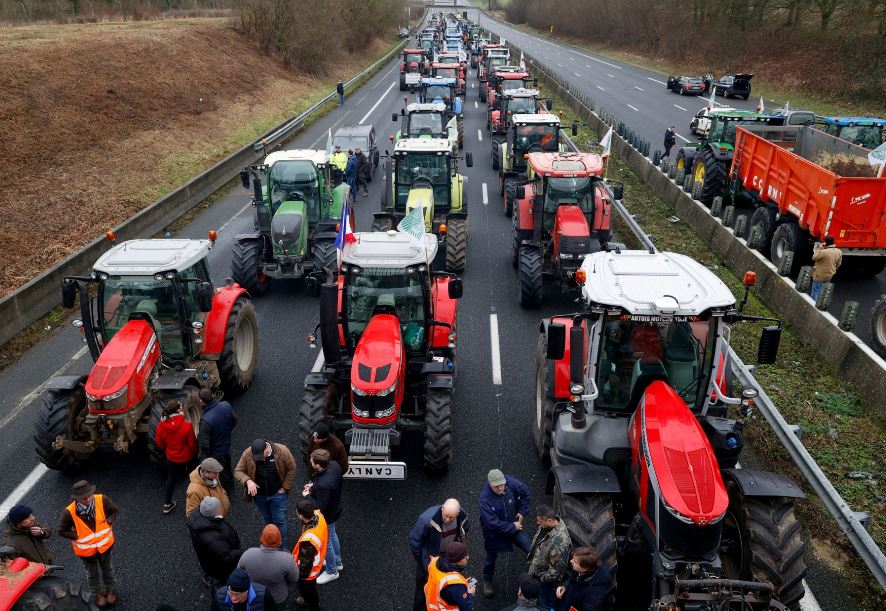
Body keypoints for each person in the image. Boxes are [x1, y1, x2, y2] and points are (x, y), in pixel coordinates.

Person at [58, 481, 119, 608]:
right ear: (76, 498)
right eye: (84, 497)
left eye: (89, 495)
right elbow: (62, 531)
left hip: (105, 546)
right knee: (92, 574)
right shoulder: (68, 513)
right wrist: (77, 536)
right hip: (87, 553)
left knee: (108, 569)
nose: (88, 499)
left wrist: (109, 521)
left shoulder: (102, 499)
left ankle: (111, 590)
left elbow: (114, 511)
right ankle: (98, 594)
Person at [234, 439, 297, 549]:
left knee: (280, 522)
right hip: (260, 496)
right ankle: (271, 545)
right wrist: (247, 481)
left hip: (278, 495)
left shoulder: (282, 451)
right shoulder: (248, 453)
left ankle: (281, 549)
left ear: (267, 448)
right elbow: (238, 471)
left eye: (262, 456)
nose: (261, 460)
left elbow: (292, 468)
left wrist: (285, 487)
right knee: (267, 520)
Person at [408, 499, 469, 611]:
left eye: (451, 517)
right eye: (446, 515)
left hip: (448, 557)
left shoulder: (462, 517)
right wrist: (425, 563)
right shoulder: (426, 521)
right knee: (423, 588)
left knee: (445, 587)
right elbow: (415, 543)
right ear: (442, 508)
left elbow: (464, 532)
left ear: (457, 514)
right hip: (430, 559)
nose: (447, 519)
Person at [479, 469, 531, 597]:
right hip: (495, 535)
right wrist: (512, 526)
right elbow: (491, 523)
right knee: (490, 559)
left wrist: (522, 511)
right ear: (490, 484)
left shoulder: (511, 483)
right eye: (496, 486)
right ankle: (487, 580)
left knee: (532, 550)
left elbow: (525, 493)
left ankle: (536, 578)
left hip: (514, 528)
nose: (500, 488)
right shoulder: (484, 499)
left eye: (502, 484)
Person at [302, 449, 343, 584]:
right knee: (333, 535)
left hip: (327, 515)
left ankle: (332, 571)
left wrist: (307, 495)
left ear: (318, 465)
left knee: (327, 543)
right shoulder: (334, 465)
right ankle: (337, 561)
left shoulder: (324, 485)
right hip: (335, 508)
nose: (311, 462)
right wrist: (314, 486)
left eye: (312, 461)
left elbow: (320, 506)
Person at [237, 525, 299, 609]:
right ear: (279, 540)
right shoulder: (287, 559)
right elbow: (294, 578)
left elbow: (239, 574)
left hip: (254, 596)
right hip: (278, 598)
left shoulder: (248, 554)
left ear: (262, 538)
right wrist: (287, 590)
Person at [187, 496, 243, 588]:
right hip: (220, 569)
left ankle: (208, 578)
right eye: (218, 507)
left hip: (206, 558)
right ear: (214, 513)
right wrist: (242, 552)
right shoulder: (215, 538)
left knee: (208, 568)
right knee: (223, 582)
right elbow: (226, 557)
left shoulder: (196, 520)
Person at [154, 398, 198, 514]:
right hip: (187, 457)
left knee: (171, 478)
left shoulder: (161, 426)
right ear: (178, 410)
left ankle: (167, 504)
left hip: (172, 458)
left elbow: (159, 443)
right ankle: (195, 502)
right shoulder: (187, 426)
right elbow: (192, 444)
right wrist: (195, 455)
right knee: (193, 478)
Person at [526, 505, 571, 610]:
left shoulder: (561, 541)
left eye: (540, 521)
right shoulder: (546, 526)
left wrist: (542, 579)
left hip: (547, 583)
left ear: (550, 520)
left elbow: (556, 571)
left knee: (544, 605)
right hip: (538, 571)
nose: (538, 524)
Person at [198, 388, 237, 493]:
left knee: (220, 473)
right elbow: (234, 420)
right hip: (225, 444)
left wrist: (208, 453)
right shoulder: (226, 405)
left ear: (201, 401)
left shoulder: (206, 420)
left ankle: (226, 493)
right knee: (227, 466)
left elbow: (204, 444)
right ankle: (231, 484)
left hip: (216, 451)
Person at [292, 499, 328, 611]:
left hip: (309, 573)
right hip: (318, 561)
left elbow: (305, 565)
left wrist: (298, 575)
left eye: (297, 512)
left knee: (309, 590)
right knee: (309, 590)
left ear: (301, 516)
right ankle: (308, 600)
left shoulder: (309, 541)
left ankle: (313, 607)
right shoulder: (318, 516)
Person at [555, 547, 613, 611]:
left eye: (575, 561)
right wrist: (564, 586)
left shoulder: (594, 596)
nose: (571, 561)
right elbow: (572, 581)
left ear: (584, 568)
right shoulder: (580, 571)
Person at [424, 541, 476, 611]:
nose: (468, 557)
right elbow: (466, 608)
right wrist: (470, 594)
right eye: (464, 557)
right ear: (456, 560)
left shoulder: (435, 561)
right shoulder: (456, 586)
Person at [212, 567, 278, 611]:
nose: (233, 598)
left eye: (238, 595)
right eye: (231, 593)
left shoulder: (263, 595)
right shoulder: (219, 596)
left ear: (247, 591)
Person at [811, 235, 842, 301]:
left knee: (816, 290)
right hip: (829, 275)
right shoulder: (838, 251)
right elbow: (838, 264)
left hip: (819, 275)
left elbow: (814, 257)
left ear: (825, 243)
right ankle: (822, 303)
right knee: (824, 290)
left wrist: (819, 248)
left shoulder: (823, 252)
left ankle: (814, 304)